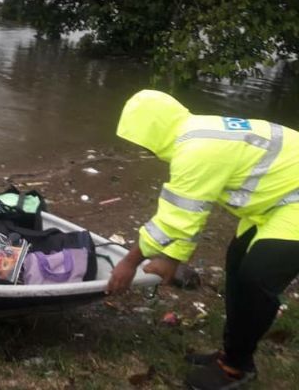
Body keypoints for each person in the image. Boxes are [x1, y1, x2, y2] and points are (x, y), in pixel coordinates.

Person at [107, 89, 299, 390]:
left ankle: (235, 367)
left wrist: (129, 262)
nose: (144, 149)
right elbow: (194, 211)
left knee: (256, 278)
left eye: (141, 140)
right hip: (273, 203)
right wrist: (173, 258)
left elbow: (174, 220)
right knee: (237, 264)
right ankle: (232, 352)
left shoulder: (195, 150)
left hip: (291, 202)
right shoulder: (197, 132)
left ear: (152, 131)